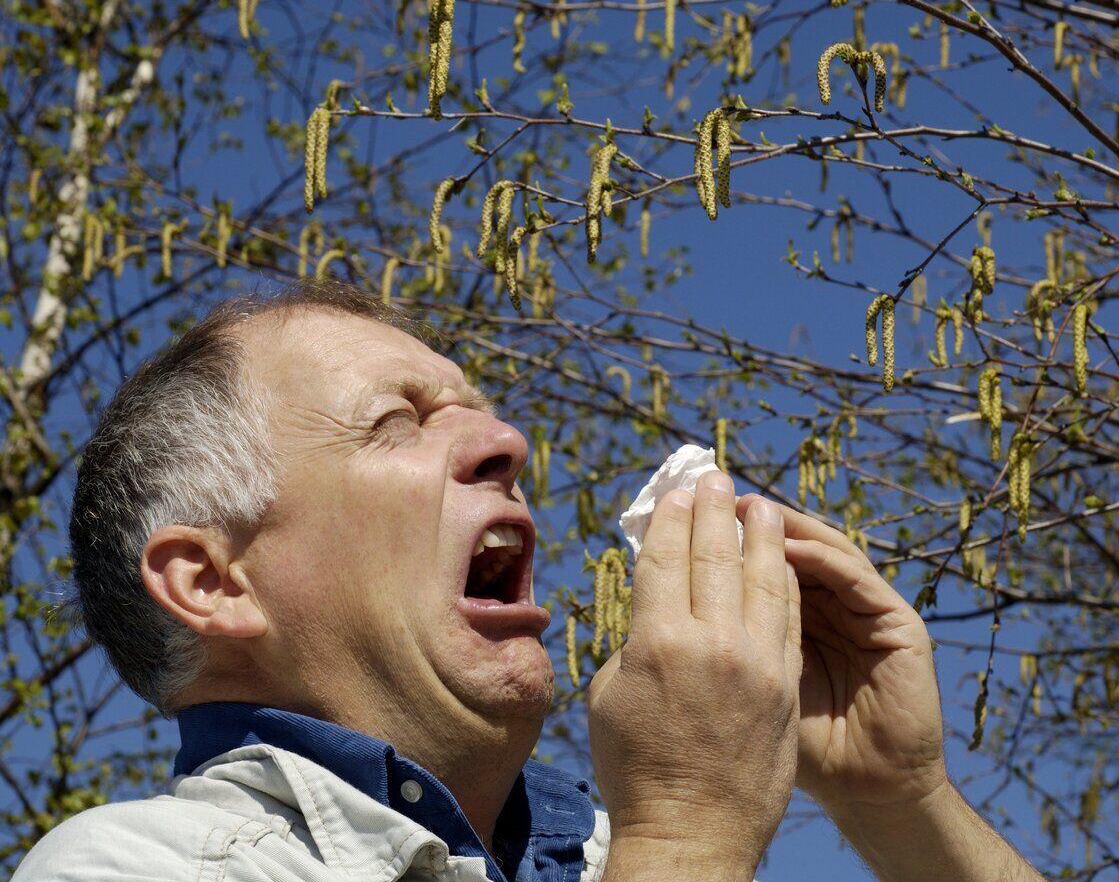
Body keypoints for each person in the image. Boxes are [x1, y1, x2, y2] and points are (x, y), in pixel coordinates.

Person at [14, 280, 1046, 882]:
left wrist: (896, 803)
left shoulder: (607, 860)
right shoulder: (143, 867)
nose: (506, 442)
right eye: (399, 422)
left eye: (483, 413)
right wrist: (685, 828)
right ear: (213, 582)